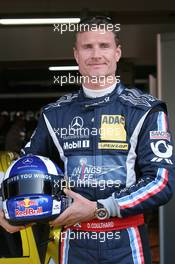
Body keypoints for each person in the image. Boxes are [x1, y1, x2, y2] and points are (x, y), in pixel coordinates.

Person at [0, 16, 175, 264]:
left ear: (117, 53)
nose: (95, 54)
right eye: (87, 46)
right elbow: (24, 167)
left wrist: (100, 208)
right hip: (74, 242)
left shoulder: (146, 110)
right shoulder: (54, 114)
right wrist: (7, 207)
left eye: (104, 46)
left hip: (127, 242)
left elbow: (161, 182)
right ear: (76, 54)